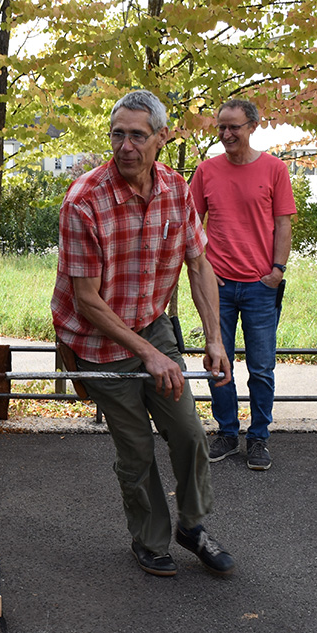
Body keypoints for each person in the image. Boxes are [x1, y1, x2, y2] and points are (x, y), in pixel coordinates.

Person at [51, 90, 236, 577]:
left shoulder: (176, 189)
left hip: (153, 325)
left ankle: (192, 527)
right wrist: (148, 356)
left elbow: (199, 264)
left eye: (137, 135)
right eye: (118, 134)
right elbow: (88, 300)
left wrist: (214, 339)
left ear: (161, 137)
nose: (126, 145)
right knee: (135, 450)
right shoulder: (83, 201)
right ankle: (150, 539)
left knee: (190, 434)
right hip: (97, 343)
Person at [190, 99, 297, 471]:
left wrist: (277, 271)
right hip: (217, 284)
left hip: (260, 286)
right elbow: (192, 224)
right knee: (219, 363)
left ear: (252, 126)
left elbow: (283, 223)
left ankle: (259, 438)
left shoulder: (274, 169)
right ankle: (227, 432)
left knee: (262, 367)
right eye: (221, 127)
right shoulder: (206, 171)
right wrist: (203, 269)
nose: (226, 134)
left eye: (234, 126)